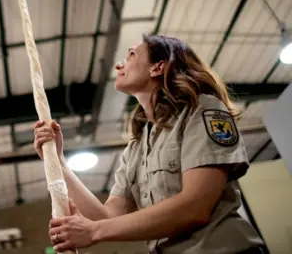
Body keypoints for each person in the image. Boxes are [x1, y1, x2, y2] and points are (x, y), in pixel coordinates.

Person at [33, 35, 266, 254]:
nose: (118, 65)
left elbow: (195, 206)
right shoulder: (136, 148)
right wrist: (58, 162)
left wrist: (93, 232)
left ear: (158, 67)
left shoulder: (203, 109)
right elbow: (107, 217)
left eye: (131, 55)